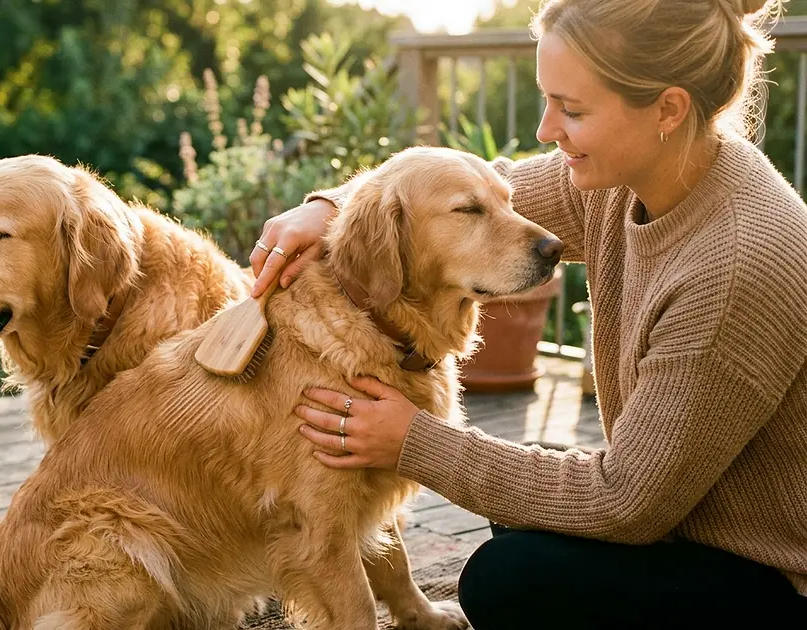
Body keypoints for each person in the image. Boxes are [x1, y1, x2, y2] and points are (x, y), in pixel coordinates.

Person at [248, 0, 807, 627]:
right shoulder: (643, 169)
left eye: (572, 109)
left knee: (507, 575)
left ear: (667, 110)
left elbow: (626, 503)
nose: (546, 129)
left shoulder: (735, 262)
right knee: (519, 496)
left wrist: (415, 441)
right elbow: (459, 187)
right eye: (547, 101)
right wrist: (326, 207)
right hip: (682, 519)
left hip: (769, 574)